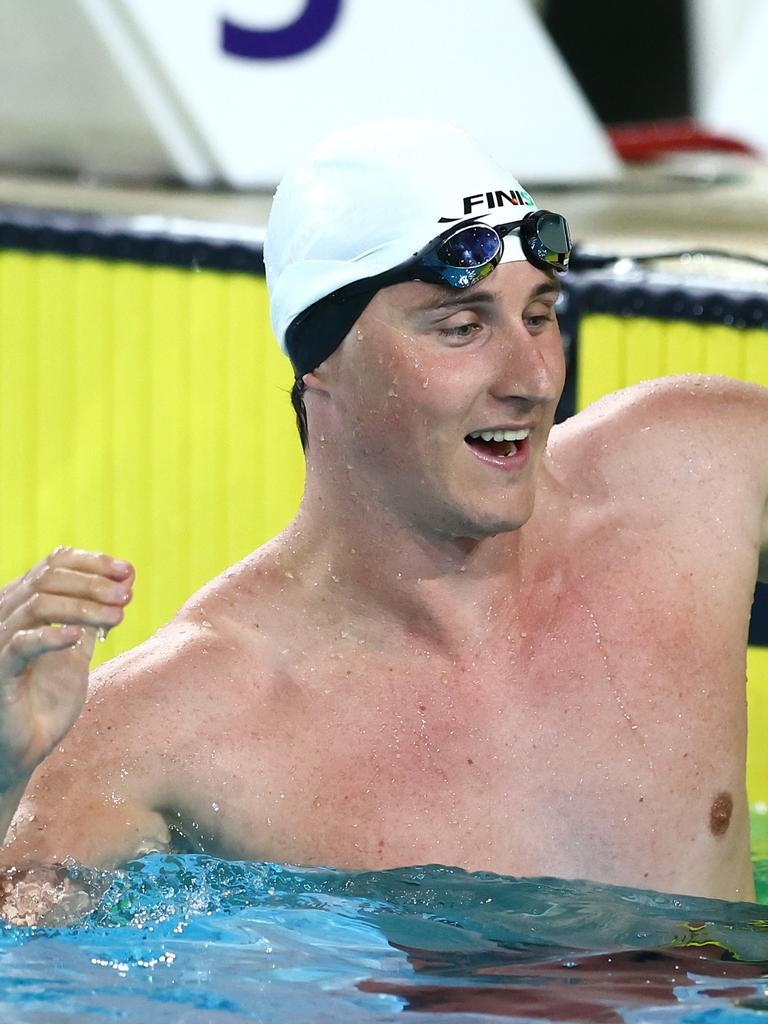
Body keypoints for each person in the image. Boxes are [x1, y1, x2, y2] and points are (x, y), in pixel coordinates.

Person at [0, 119, 766, 924]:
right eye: (462, 327)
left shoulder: (699, 470)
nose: (533, 379)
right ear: (321, 360)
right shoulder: (177, 722)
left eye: (539, 315)